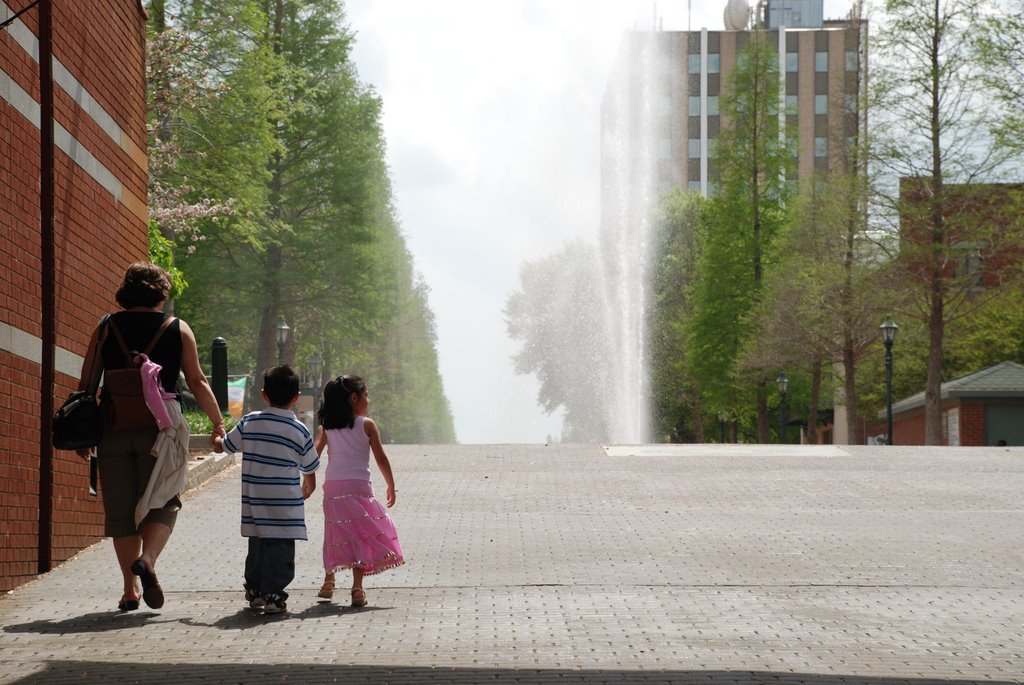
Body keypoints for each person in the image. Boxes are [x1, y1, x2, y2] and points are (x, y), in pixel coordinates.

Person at [75, 262, 226, 612]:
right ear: (161, 292)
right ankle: (149, 560)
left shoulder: (106, 326)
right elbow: (198, 380)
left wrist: (84, 433)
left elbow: (87, 383)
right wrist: (218, 422)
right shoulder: (177, 328)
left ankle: (130, 589)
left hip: (112, 428)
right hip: (163, 431)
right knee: (165, 499)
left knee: (121, 512)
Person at [214, 365, 318, 614]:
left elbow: (225, 446)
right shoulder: (299, 430)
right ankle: (274, 595)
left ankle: (255, 589)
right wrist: (310, 483)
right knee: (281, 547)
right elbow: (310, 465)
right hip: (285, 503)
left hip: (256, 501)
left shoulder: (250, 422)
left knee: (258, 544)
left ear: (264, 394)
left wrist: (217, 438)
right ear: (296, 397)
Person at [314, 374, 403, 608]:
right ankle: (357, 588)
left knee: (335, 533)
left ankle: (328, 580)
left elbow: (313, 456)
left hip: (333, 488)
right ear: (354, 398)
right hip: (359, 488)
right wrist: (391, 484)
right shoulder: (367, 424)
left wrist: (307, 477)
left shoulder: (327, 428)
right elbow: (381, 459)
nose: (368, 399)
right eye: (366, 394)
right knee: (360, 535)